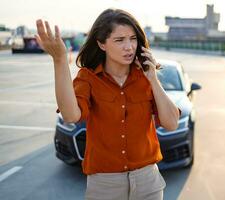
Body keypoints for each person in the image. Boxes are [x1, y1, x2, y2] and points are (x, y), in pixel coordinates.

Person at [35, 8, 180, 200]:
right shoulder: (88, 78)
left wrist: (153, 79)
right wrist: (60, 60)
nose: (129, 47)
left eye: (133, 38)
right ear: (102, 44)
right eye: (119, 40)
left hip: (148, 182)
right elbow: (70, 116)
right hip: (105, 185)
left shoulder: (146, 78)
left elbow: (171, 123)